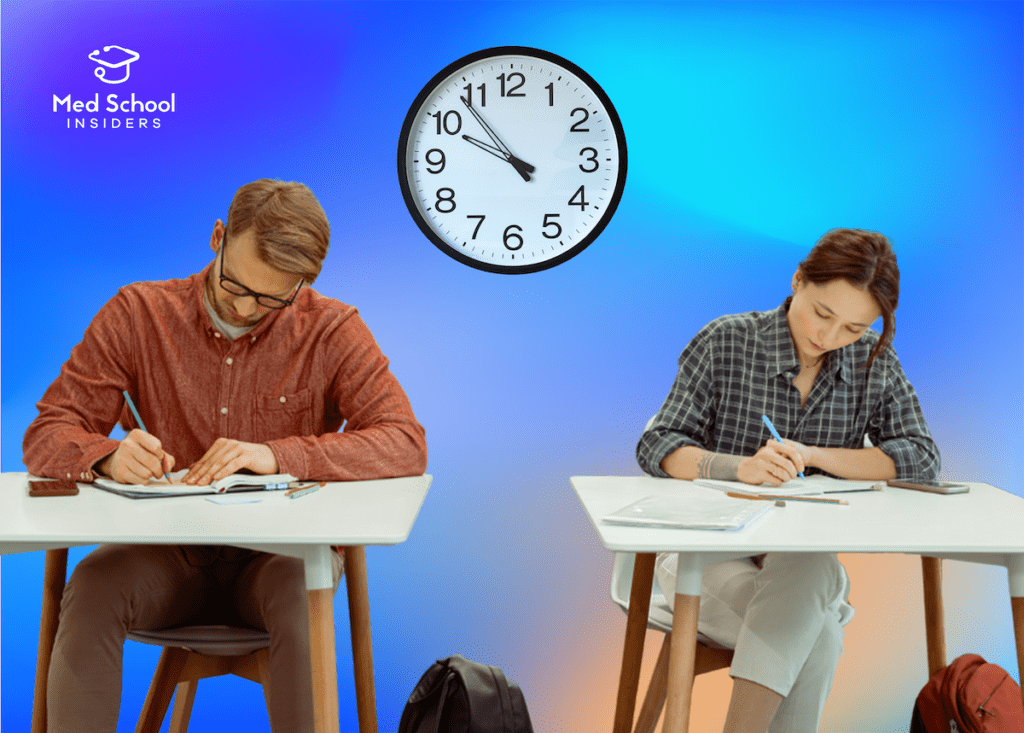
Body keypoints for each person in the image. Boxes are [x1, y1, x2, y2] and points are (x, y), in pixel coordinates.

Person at [22, 179, 428, 733]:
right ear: (218, 238)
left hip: (276, 561)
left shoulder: (332, 329)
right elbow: (47, 433)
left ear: (302, 284)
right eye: (234, 282)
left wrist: (277, 454)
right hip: (167, 558)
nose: (243, 306)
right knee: (93, 585)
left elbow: (404, 440)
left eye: (270, 298)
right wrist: (108, 457)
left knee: (301, 590)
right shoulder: (138, 313)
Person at [636, 228, 939, 733]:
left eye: (853, 326)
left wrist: (815, 454)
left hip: (796, 565)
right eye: (822, 313)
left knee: (809, 577)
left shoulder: (872, 361)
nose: (831, 336)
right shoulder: (726, 340)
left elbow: (919, 457)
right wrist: (739, 467)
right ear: (798, 280)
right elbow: (658, 443)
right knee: (817, 625)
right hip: (702, 559)